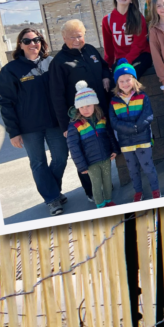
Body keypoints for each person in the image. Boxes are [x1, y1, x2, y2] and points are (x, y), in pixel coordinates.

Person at [0, 25, 69, 215]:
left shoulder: (52, 63)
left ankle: (51, 190)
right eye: (27, 41)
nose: (32, 44)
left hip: (54, 123)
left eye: (36, 40)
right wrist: (14, 132)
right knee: (38, 163)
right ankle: (53, 199)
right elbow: (6, 102)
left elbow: (65, 88)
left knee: (61, 157)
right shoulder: (10, 71)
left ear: (41, 43)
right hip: (29, 128)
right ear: (20, 45)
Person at [46, 21, 111, 200]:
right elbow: (56, 96)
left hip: (100, 112)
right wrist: (65, 126)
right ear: (64, 38)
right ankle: (90, 190)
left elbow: (105, 67)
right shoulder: (59, 62)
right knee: (85, 153)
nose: (77, 40)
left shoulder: (90, 50)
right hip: (79, 117)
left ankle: (105, 184)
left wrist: (106, 77)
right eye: (72, 37)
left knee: (102, 148)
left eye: (79, 35)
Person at [108, 60, 161, 200]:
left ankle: (155, 190)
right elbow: (114, 121)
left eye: (128, 80)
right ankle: (138, 191)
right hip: (126, 143)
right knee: (132, 170)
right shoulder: (114, 101)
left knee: (148, 167)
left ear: (134, 80)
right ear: (117, 83)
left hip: (143, 139)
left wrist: (136, 127)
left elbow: (148, 115)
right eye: (121, 81)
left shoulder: (143, 97)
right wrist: (130, 128)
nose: (125, 83)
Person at [64, 81, 116, 208]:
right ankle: (100, 204)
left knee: (108, 182)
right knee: (96, 184)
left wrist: (114, 149)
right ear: (77, 108)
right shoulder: (75, 125)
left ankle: (108, 201)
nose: (85, 110)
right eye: (81, 107)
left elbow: (109, 135)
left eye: (88, 106)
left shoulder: (102, 119)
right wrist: (81, 165)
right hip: (91, 162)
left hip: (105, 158)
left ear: (94, 105)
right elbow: (74, 147)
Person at [101, 0, 151, 77]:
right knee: (113, 83)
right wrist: (108, 66)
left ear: (131, 0)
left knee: (128, 76)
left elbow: (139, 45)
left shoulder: (138, 17)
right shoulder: (107, 19)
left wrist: (126, 62)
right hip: (120, 59)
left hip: (141, 56)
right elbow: (108, 47)